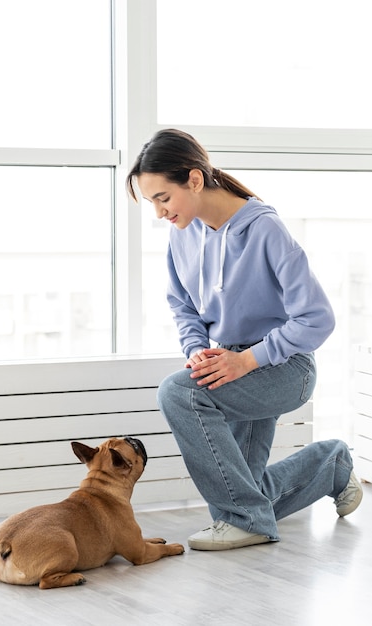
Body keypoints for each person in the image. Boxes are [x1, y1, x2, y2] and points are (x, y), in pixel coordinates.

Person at [126, 128, 363, 550]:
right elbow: (182, 305)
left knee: (178, 394)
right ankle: (331, 464)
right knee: (248, 488)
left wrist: (248, 360)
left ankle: (247, 521)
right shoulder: (183, 234)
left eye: (163, 198)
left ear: (194, 180)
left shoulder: (265, 229)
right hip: (226, 364)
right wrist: (197, 349)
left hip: (282, 367)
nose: (160, 213)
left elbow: (317, 319)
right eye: (152, 203)